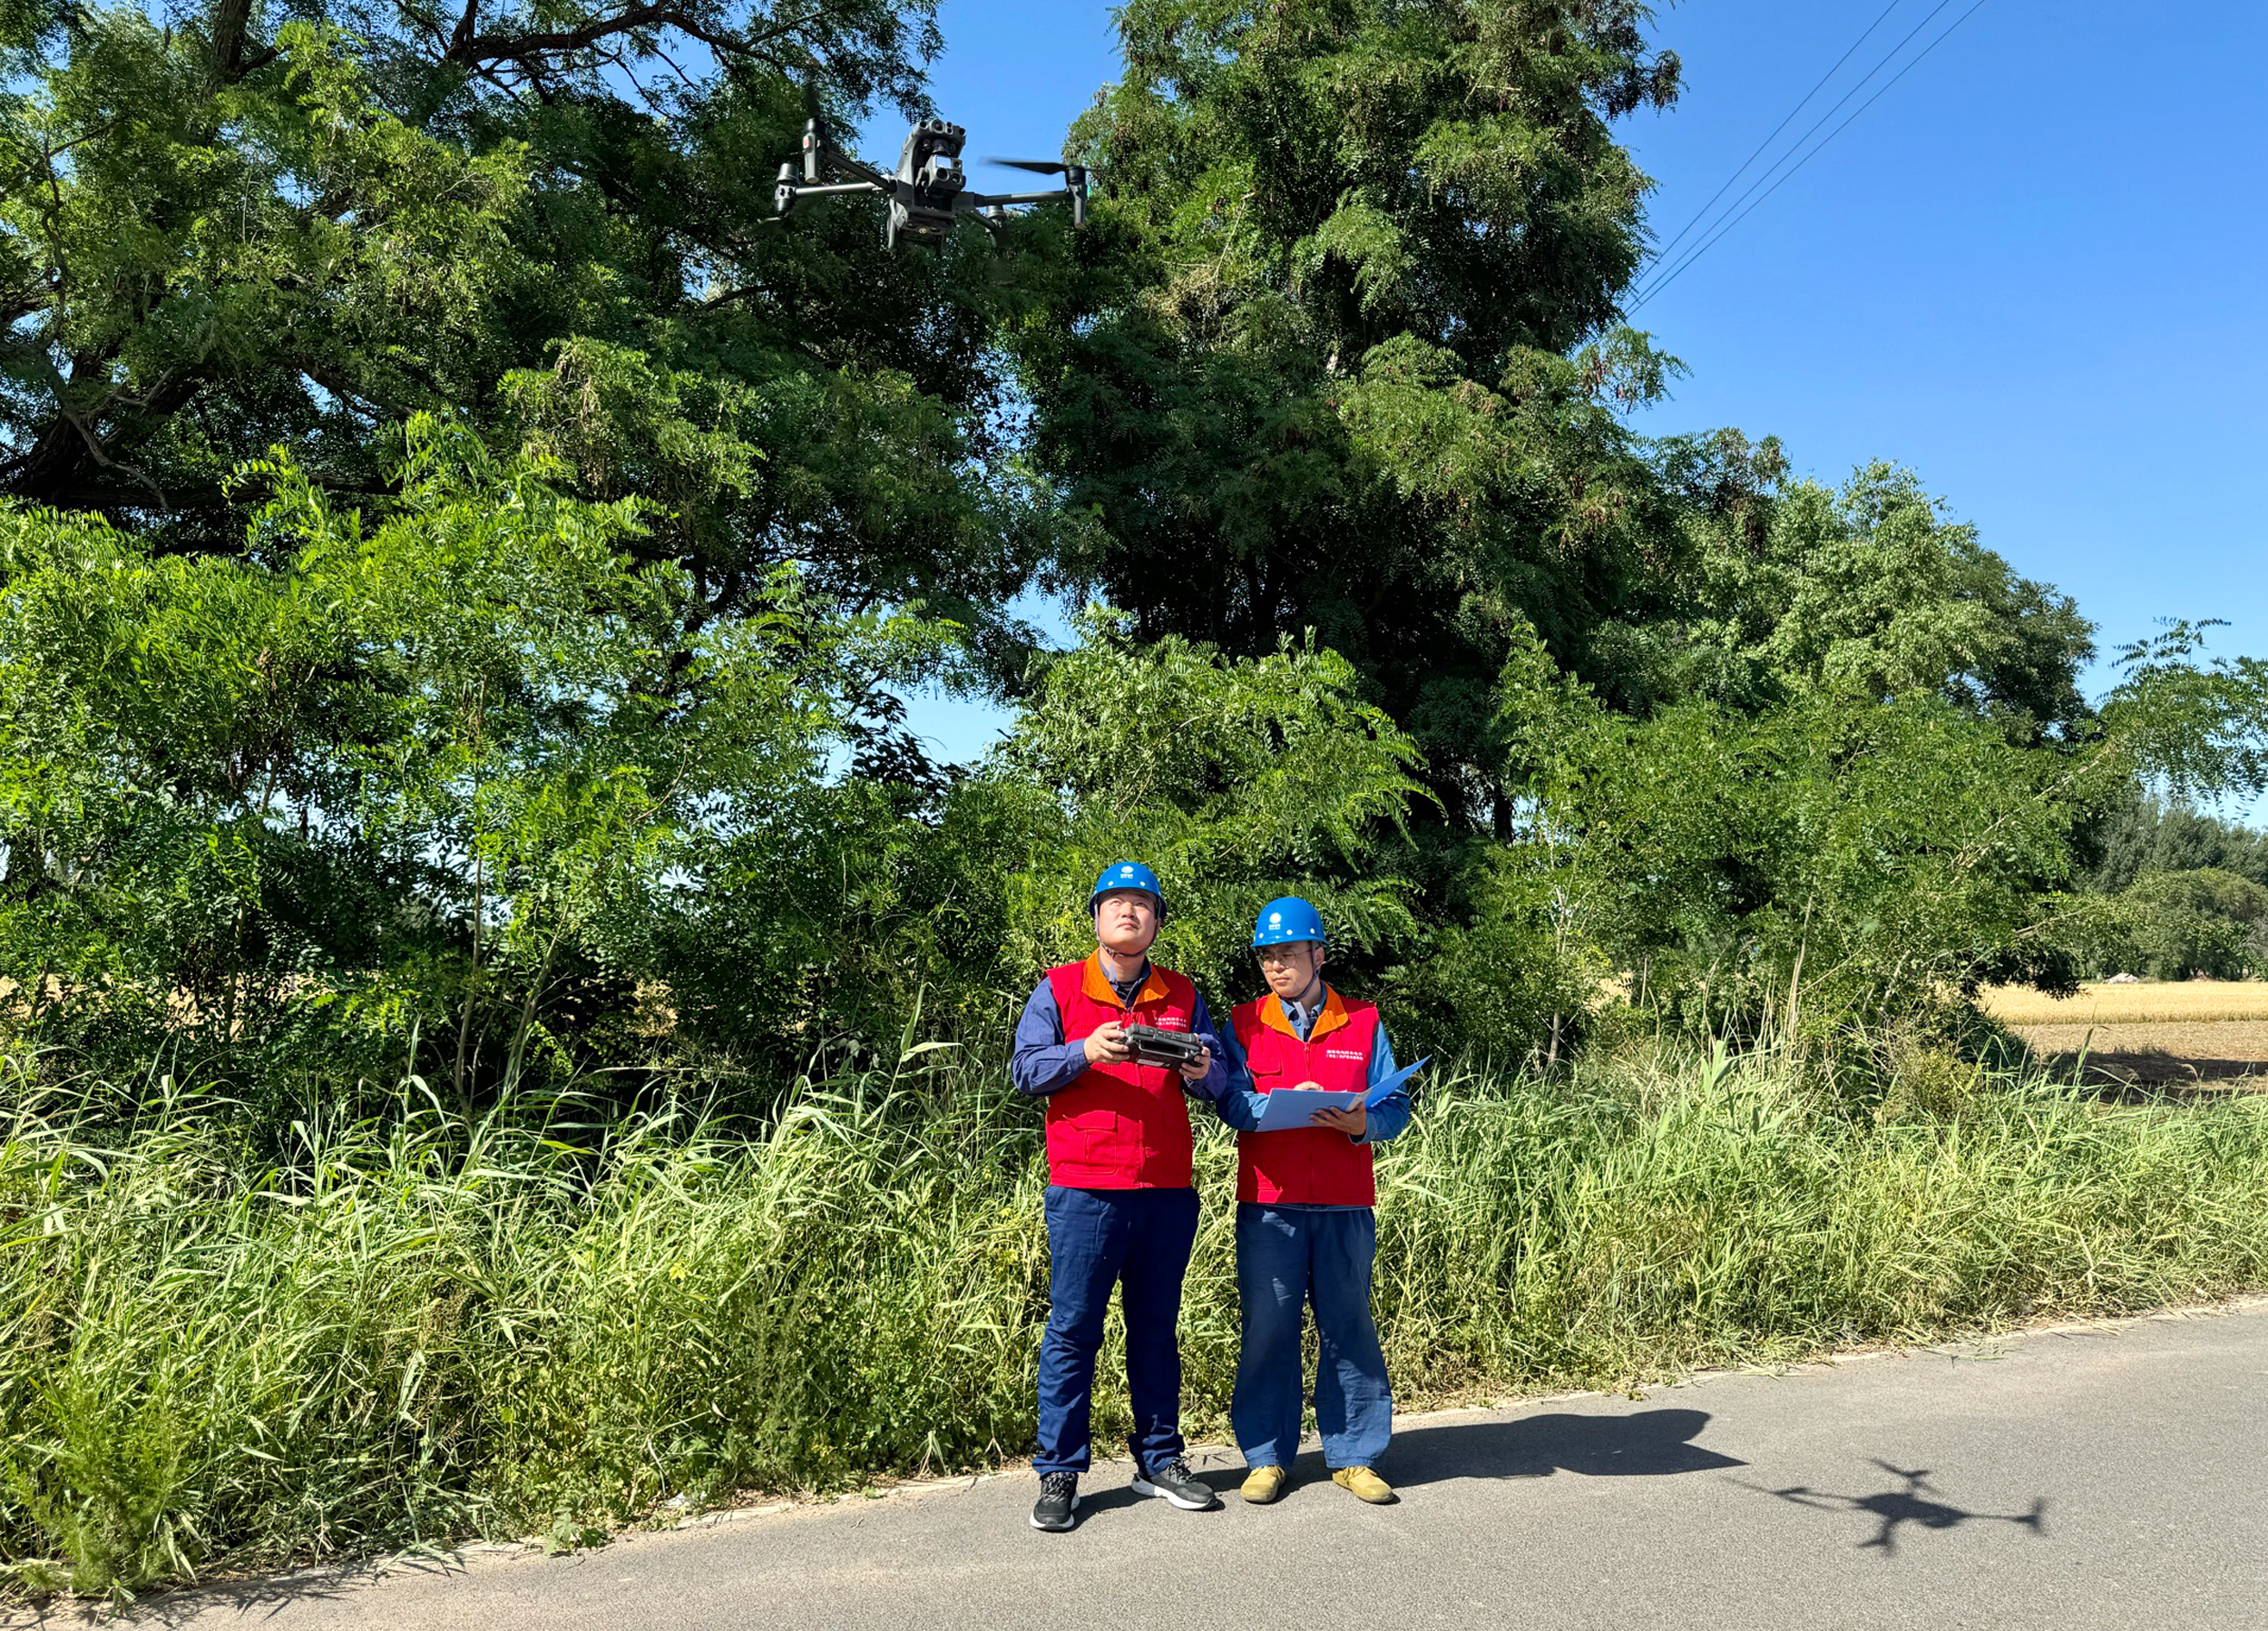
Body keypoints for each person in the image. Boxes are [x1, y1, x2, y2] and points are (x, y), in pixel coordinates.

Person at [1010, 861, 1230, 1532]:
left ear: (1157, 922)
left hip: (1165, 1188)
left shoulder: (1182, 993)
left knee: (1156, 1330)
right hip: (1085, 1189)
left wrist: (1202, 1068)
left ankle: (1159, 1461)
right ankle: (1059, 1472)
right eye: (1116, 902)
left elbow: (1219, 1079)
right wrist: (1085, 1051)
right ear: (1097, 917)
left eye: (1141, 903)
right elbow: (1025, 1070)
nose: (1128, 911)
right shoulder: (1058, 989)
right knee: (1074, 1330)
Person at [1213, 895, 1412, 1507]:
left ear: (1318, 955)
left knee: (1349, 1327)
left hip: (1344, 1203)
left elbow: (1394, 1107)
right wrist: (1276, 1105)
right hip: (1270, 1205)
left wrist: (1360, 1124)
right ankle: (1266, 1458)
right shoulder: (1244, 1023)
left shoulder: (1363, 1022)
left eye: (1288, 954)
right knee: (1268, 1330)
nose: (1276, 966)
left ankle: (1355, 1457)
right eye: (1266, 956)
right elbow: (1229, 1101)